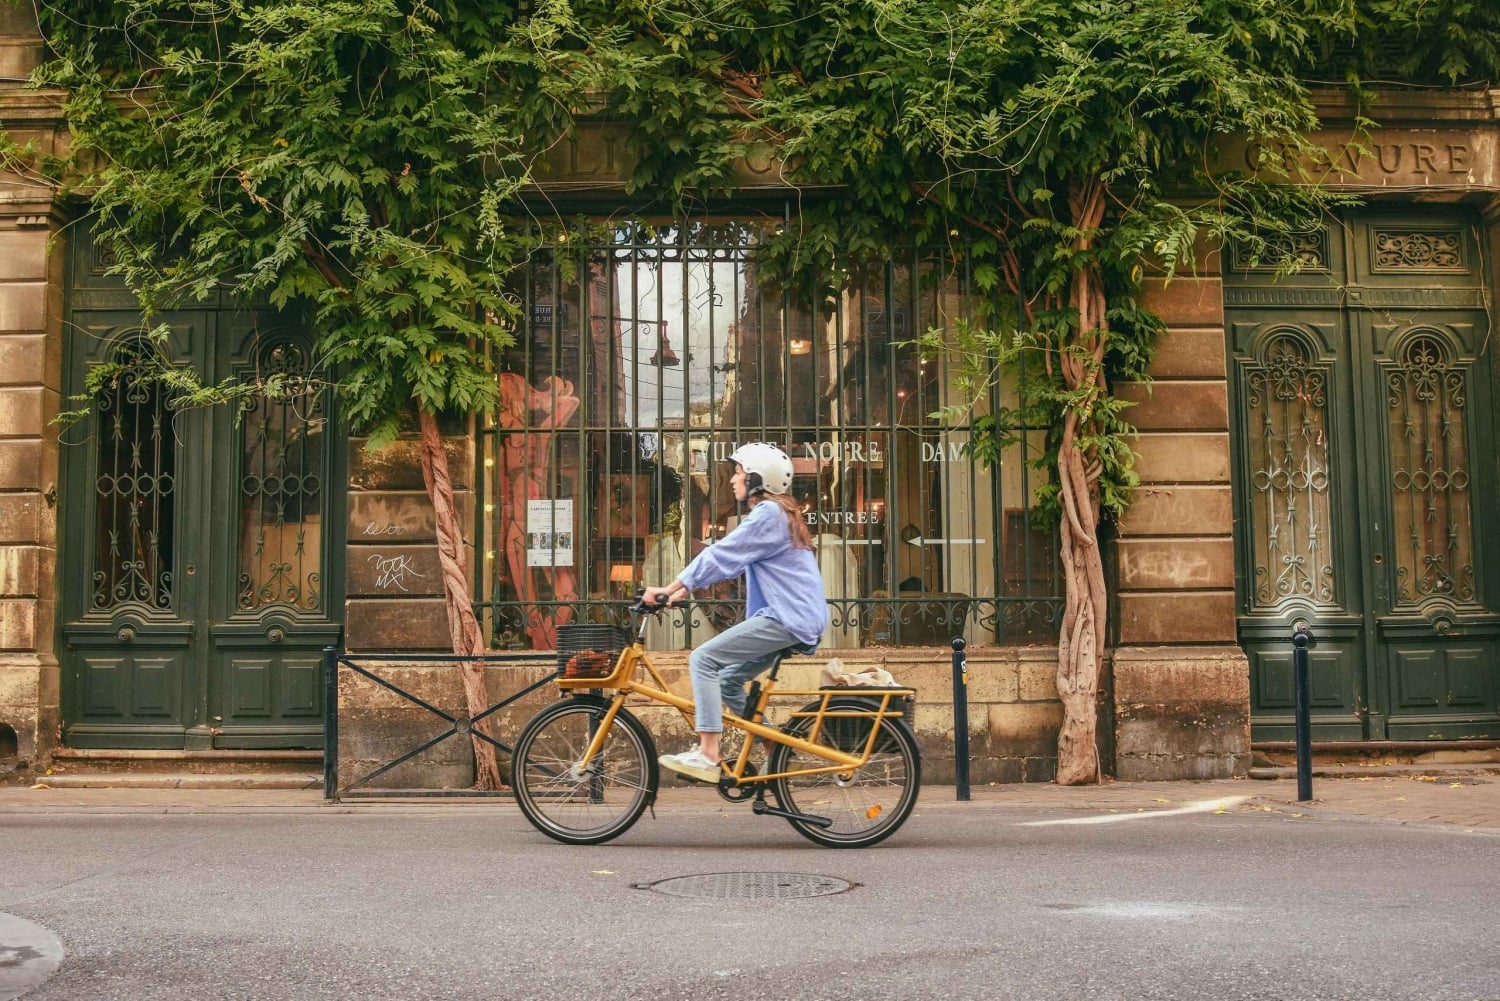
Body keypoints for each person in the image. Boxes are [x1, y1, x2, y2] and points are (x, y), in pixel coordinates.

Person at [641, 442, 829, 783]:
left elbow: (723, 554)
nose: (732, 479)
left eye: (739, 472)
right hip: (793, 617)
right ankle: (778, 751)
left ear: (757, 479)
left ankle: (708, 753)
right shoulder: (778, 514)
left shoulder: (769, 514)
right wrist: (680, 591)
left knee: (703, 660)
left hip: (786, 618)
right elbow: (729, 560)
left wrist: (671, 587)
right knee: (728, 681)